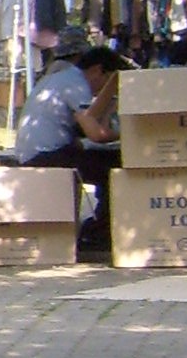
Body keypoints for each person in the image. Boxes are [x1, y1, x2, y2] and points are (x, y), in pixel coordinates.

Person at [16, 32, 120, 248]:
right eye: (106, 82)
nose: (102, 90)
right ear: (97, 70)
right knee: (116, 170)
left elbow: (91, 128)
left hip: (36, 152)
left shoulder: (58, 78)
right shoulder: (76, 82)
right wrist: (132, 134)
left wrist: (110, 106)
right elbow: (97, 134)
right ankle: (98, 234)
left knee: (104, 162)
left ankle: (97, 230)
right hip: (46, 156)